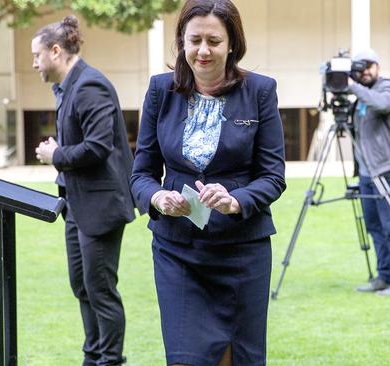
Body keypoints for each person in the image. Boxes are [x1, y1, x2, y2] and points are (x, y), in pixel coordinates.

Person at [130, 0, 286, 364]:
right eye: (194, 40)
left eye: (214, 41)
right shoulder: (160, 91)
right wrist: (158, 199)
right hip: (178, 252)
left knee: (239, 358)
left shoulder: (260, 91)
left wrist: (236, 200)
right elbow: (140, 174)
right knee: (186, 359)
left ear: (232, 43)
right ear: (181, 42)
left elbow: (273, 176)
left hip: (242, 252)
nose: (203, 50)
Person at [31, 16, 135, 366]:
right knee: (82, 286)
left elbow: (98, 147)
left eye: (37, 56)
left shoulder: (91, 86)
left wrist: (56, 155)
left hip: (101, 208)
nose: (34, 64)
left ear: (56, 51)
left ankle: (110, 361)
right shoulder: (68, 87)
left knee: (101, 290)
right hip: (75, 206)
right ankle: (93, 358)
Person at [349, 49, 390, 296]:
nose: (364, 72)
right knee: (374, 226)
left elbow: (383, 105)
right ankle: (384, 276)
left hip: (389, 170)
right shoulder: (361, 95)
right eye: (359, 68)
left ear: (377, 65)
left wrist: (352, 86)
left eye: (368, 66)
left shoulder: (388, 89)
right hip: (367, 173)